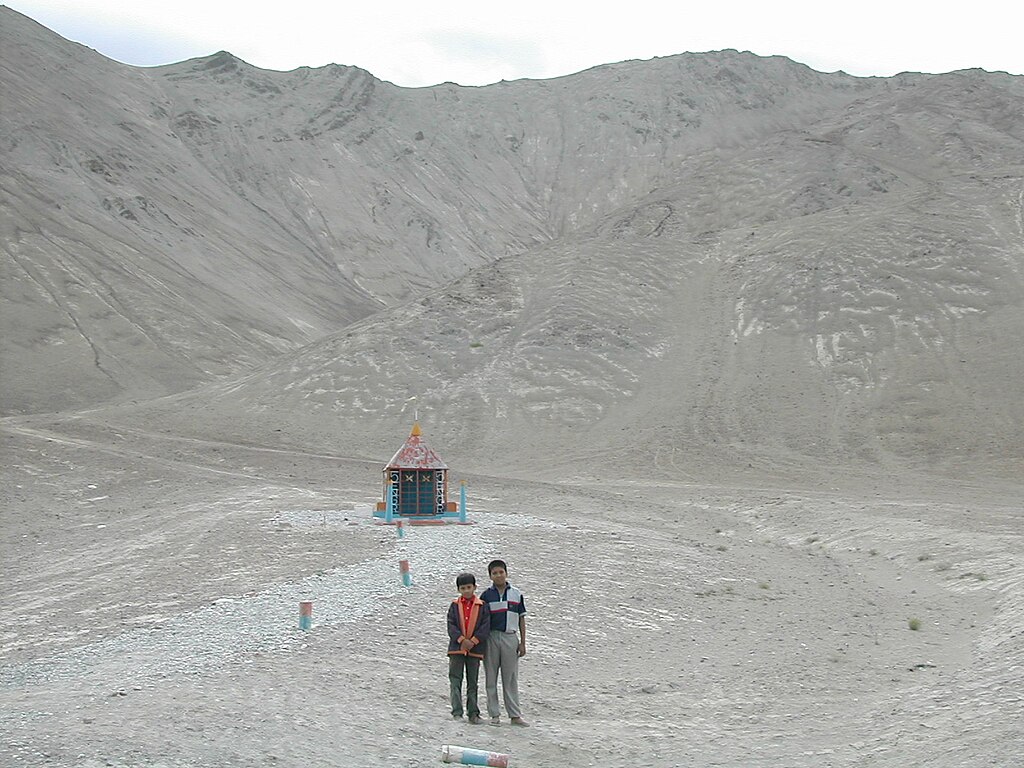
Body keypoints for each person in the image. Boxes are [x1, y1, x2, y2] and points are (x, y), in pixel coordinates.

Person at [481, 559, 528, 726]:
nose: (498, 575)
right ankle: (494, 714)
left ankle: (514, 715)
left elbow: (522, 619)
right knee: (491, 677)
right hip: (491, 638)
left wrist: (522, 642)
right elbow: (481, 620)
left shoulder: (516, 594)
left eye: (501, 572)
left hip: (510, 637)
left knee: (510, 678)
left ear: (506, 573)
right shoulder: (486, 595)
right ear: (490, 576)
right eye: (495, 573)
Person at [447, 572, 490, 724]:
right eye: (463, 588)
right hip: (456, 649)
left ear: (474, 587)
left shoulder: (482, 606)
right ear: (459, 589)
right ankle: (457, 712)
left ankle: (473, 713)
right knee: (455, 680)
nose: (466, 591)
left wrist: (473, 640)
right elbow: (451, 625)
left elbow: (485, 626)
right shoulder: (454, 605)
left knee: (473, 682)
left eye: (469, 587)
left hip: (475, 649)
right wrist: (461, 640)